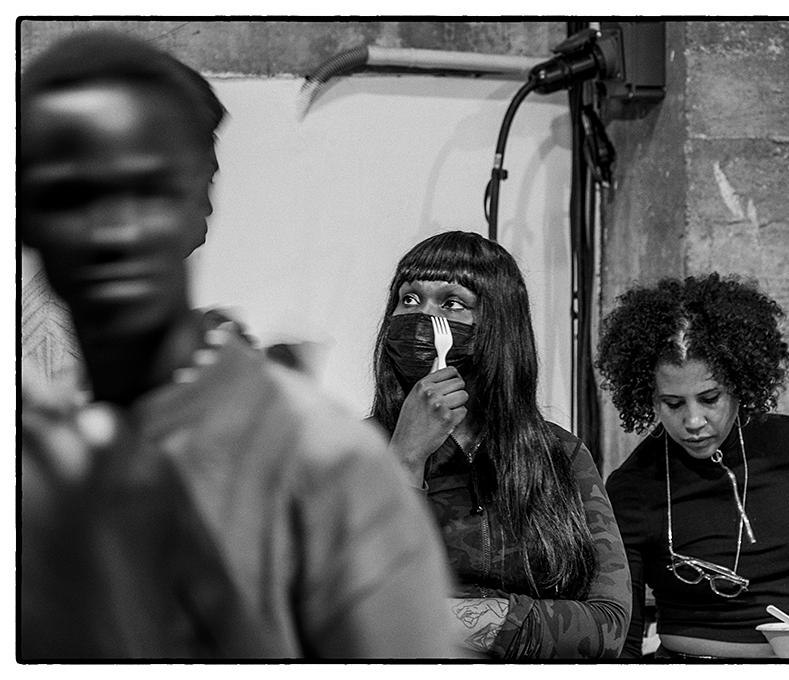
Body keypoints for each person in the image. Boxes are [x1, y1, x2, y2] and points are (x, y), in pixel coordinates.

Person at [18, 31, 455, 659]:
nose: (112, 230)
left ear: (199, 198)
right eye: (71, 195)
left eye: (148, 189)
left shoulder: (324, 464)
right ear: (25, 214)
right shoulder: (34, 456)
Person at [369, 230, 631, 659]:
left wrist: (438, 619)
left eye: (452, 303)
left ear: (498, 324)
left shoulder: (561, 455)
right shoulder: (350, 450)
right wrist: (405, 457)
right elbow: (354, 609)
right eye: (409, 299)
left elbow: (607, 626)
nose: (423, 315)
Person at [596, 273, 789, 659]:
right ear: (649, 398)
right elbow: (624, 638)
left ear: (740, 383)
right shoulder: (634, 486)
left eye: (710, 398)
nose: (693, 421)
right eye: (673, 404)